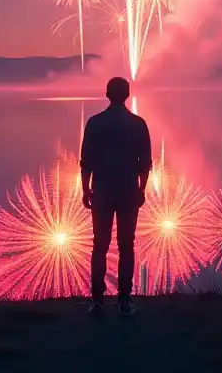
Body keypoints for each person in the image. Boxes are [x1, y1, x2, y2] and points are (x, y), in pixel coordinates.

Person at [80, 76, 152, 317]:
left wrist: (85, 189)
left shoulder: (94, 123)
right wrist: (142, 189)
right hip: (128, 190)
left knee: (99, 245)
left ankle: (97, 300)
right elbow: (146, 163)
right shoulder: (138, 124)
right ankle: (123, 299)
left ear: (107, 94)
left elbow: (86, 161)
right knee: (126, 245)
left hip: (101, 189)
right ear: (128, 95)